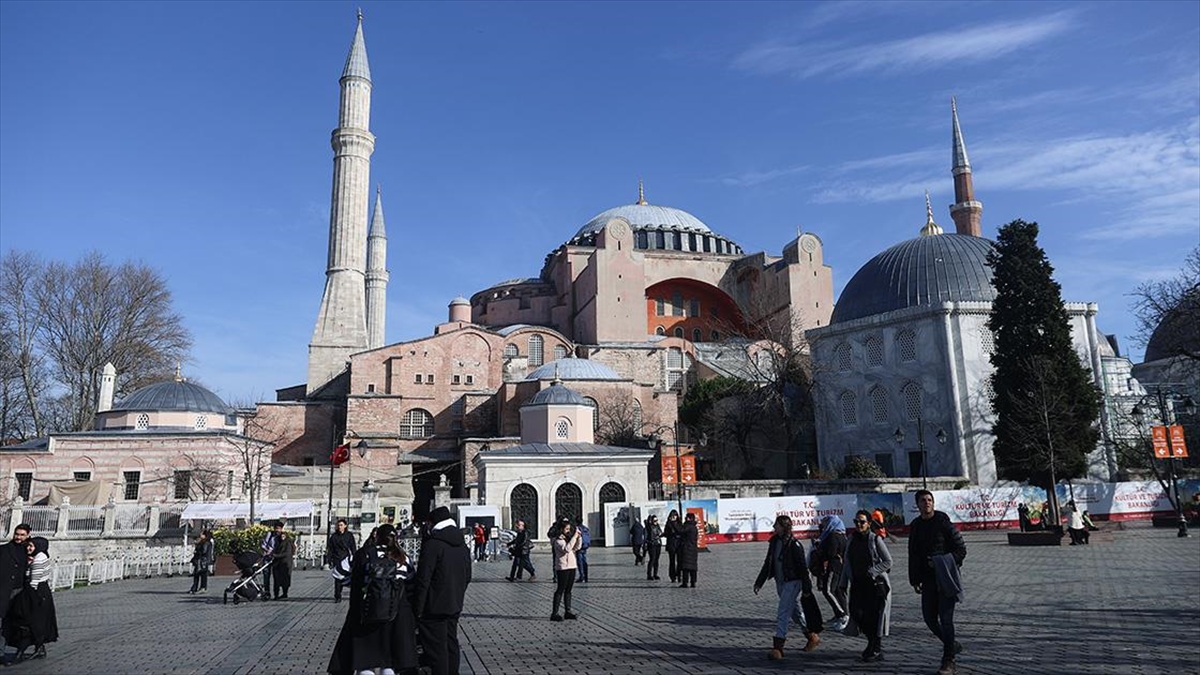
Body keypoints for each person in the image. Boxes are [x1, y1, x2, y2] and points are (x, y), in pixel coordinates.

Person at [327, 524, 419, 675]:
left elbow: (338, 573)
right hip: (394, 615)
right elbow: (411, 581)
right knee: (388, 662)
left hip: (365, 612)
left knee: (364, 662)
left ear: (377, 537)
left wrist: (358, 585)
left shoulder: (364, 554)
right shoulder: (403, 557)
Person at [908, 490, 967, 675]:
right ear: (917, 505)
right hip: (927, 580)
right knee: (929, 619)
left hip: (945, 578)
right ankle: (952, 644)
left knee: (946, 619)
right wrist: (914, 579)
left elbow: (961, 550)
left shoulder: (943, 523)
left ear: (933, 503)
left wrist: (942, 561)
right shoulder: (916, 525)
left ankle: (949, 660)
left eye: (929, 500)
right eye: (922, 500)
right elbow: (913, 554)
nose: (926, 503)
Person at [413, 506, 472, 675]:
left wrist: (418, 609)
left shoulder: (433, 544)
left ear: (433, 523)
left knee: (436, 650)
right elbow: (467, 575)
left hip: (433, 607)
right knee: (451, 642)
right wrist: (457, 593)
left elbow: (424, 579)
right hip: (454, 603)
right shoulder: (462, 544)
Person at [753, 515, 820, 660]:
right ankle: (811, 635)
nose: (774, 528)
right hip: (780, 582)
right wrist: (759, 582)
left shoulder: (794, 545)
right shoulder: (774, 542)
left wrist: (807, 588)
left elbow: (802, 567)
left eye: (776, 525)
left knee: (783, 611)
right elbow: (768, 563)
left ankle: (778, 647)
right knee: (794, 613)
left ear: (784, 526)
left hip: (793, 582)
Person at [840, 510, 892, 663]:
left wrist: (872, 571)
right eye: (856, 521)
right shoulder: (851, 539)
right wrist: (843, 583)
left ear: (869, 523)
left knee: (873, 617)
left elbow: (888, 561)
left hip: (874, 586)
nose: (858, 524)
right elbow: (846, 562)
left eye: (862, 522)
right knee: (857, 615)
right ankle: (872, 643)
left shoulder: (875, 539)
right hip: (857, 584)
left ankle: (875, 646)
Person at [2, 537, 57, 662]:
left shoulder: (38, 559)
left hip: (34, 594)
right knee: (36, 623)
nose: (28, 548)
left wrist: (22, 599)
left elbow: (34, 582)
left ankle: (21, 651)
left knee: (26, 622)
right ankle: (39, 648)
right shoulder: (42, 556)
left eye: (31, 546)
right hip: (42, 593)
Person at [811, 514, 849, 631]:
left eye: (826, 523)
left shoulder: (833, 536)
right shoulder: (843, 535)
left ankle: (842, 614)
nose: (824, 526)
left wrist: (818, 548)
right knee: (837, 591)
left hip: (833, 567)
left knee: (828, 591)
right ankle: (841, 614)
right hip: (841, 567)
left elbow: (830, 553)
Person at [0, 524, 30, 665]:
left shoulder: (28, 551)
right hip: (4, 591)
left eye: (22, 535)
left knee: (12, 623)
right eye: (17, 534)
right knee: (2, 621)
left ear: (28, 535)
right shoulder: (4, 550)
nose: (18, 537)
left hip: (19, 592)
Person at [550, 518, 582, 621]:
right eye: (566, 529)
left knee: (568, 590)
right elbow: (567, 549)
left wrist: (578, 538)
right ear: (561, 529)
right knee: (560, 589)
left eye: (569, 529)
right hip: (562, 567)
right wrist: (574, 537)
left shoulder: (568, 539)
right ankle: (554, 613)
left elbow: (576, 548)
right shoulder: (558, 540)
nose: (568, 531)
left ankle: (568, 611)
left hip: (572, 566)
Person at [327, 519, 358, 603]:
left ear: (345, 526)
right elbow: (330, 549)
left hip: (346, 559)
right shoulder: (334, 536)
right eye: (338, 525)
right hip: (337, 558)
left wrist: (355, 558)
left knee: (347, 577)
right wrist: (329, 559)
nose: (339, 527)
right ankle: (337, 595)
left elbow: (353, 547)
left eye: (341, 525)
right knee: (337, 578)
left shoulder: (349, 535)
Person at [260, 520, 284, 600]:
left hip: (276, 559)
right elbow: (263, 545)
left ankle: (276, 594)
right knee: (266, 576)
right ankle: (267, 593)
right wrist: (267, 551)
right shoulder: (269, 534)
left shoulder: (282, 536)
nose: (277, 530)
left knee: (276, 577)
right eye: (276, 528)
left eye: (279, 529)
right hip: (267, 558)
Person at [188, 530, 215, 594]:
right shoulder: (206, 542)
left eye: (201, 534)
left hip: (202, 560)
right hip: (203, 560)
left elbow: (203, 551)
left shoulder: (205, 542)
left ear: (205, 535)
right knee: (199, 574)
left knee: (200, 574)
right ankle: (196, 587)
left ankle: (201, 587)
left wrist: (197, 549)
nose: (200, 535)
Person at [677, 512, 699, 588]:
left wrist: (675, 522)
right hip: (693, 548)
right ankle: (693, 582)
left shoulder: (688, 526)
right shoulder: (694, 527)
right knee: (693, 566)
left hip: (687, 548)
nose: (685, 518)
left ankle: (685, 582)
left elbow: (680, 530)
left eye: (686, 517)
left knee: (686, 566)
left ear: (689, 518)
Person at [273, 527, 296, 599]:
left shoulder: (288, 542)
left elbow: (287, 553)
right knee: (277, 580)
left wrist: (276, 555)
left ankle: (285, 593)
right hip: (279, 564)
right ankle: (276, 595)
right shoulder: (278, 542)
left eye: (284, 536)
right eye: (281, 536)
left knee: (285, 580)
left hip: (286, 564)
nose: (282, 538)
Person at [664, 510, 683, 583]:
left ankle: (679, 575)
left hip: (679, 544)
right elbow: (666, 533)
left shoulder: (679, 523)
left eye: (675, 515)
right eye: (672, 516)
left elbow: (681, 531)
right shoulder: (668, 524)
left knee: (679, 561)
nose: (673, 517)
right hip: (671, 544)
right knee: (672, 561)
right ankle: (672, 576)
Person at [644, 515, 663, 581]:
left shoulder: (658, 526)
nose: (656, 522)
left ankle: (655, 574)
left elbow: (660, 533)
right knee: (652, 559)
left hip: (658, 544)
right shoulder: (648, 527)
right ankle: (649, 575)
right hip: (651, 544)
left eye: (657, 520)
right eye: (654, 520)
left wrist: (660, 535)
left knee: (656, 560)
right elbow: (646, 535)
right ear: (651, 521)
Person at [574, 517, 591, 583]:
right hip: (585, 546)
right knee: (584, 562)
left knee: (580, 562)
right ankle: (586, 576)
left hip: (579, 547)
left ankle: (582, 577)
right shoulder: (585, 528)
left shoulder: (577, 529)